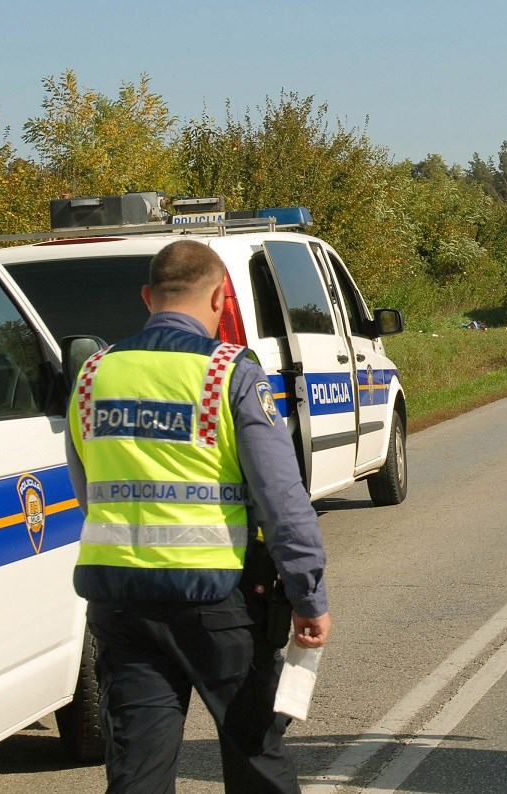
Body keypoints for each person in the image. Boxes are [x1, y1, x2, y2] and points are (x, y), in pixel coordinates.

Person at [66, 239, 331, 793]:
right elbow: (282, 500)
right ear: (218, 296)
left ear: (147, 297)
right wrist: (309, 594)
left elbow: (90, 491)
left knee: (138, 771)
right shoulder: (228, 374)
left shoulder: (92, 376)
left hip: (121, 603)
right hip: (219, 601)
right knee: (257, 759)